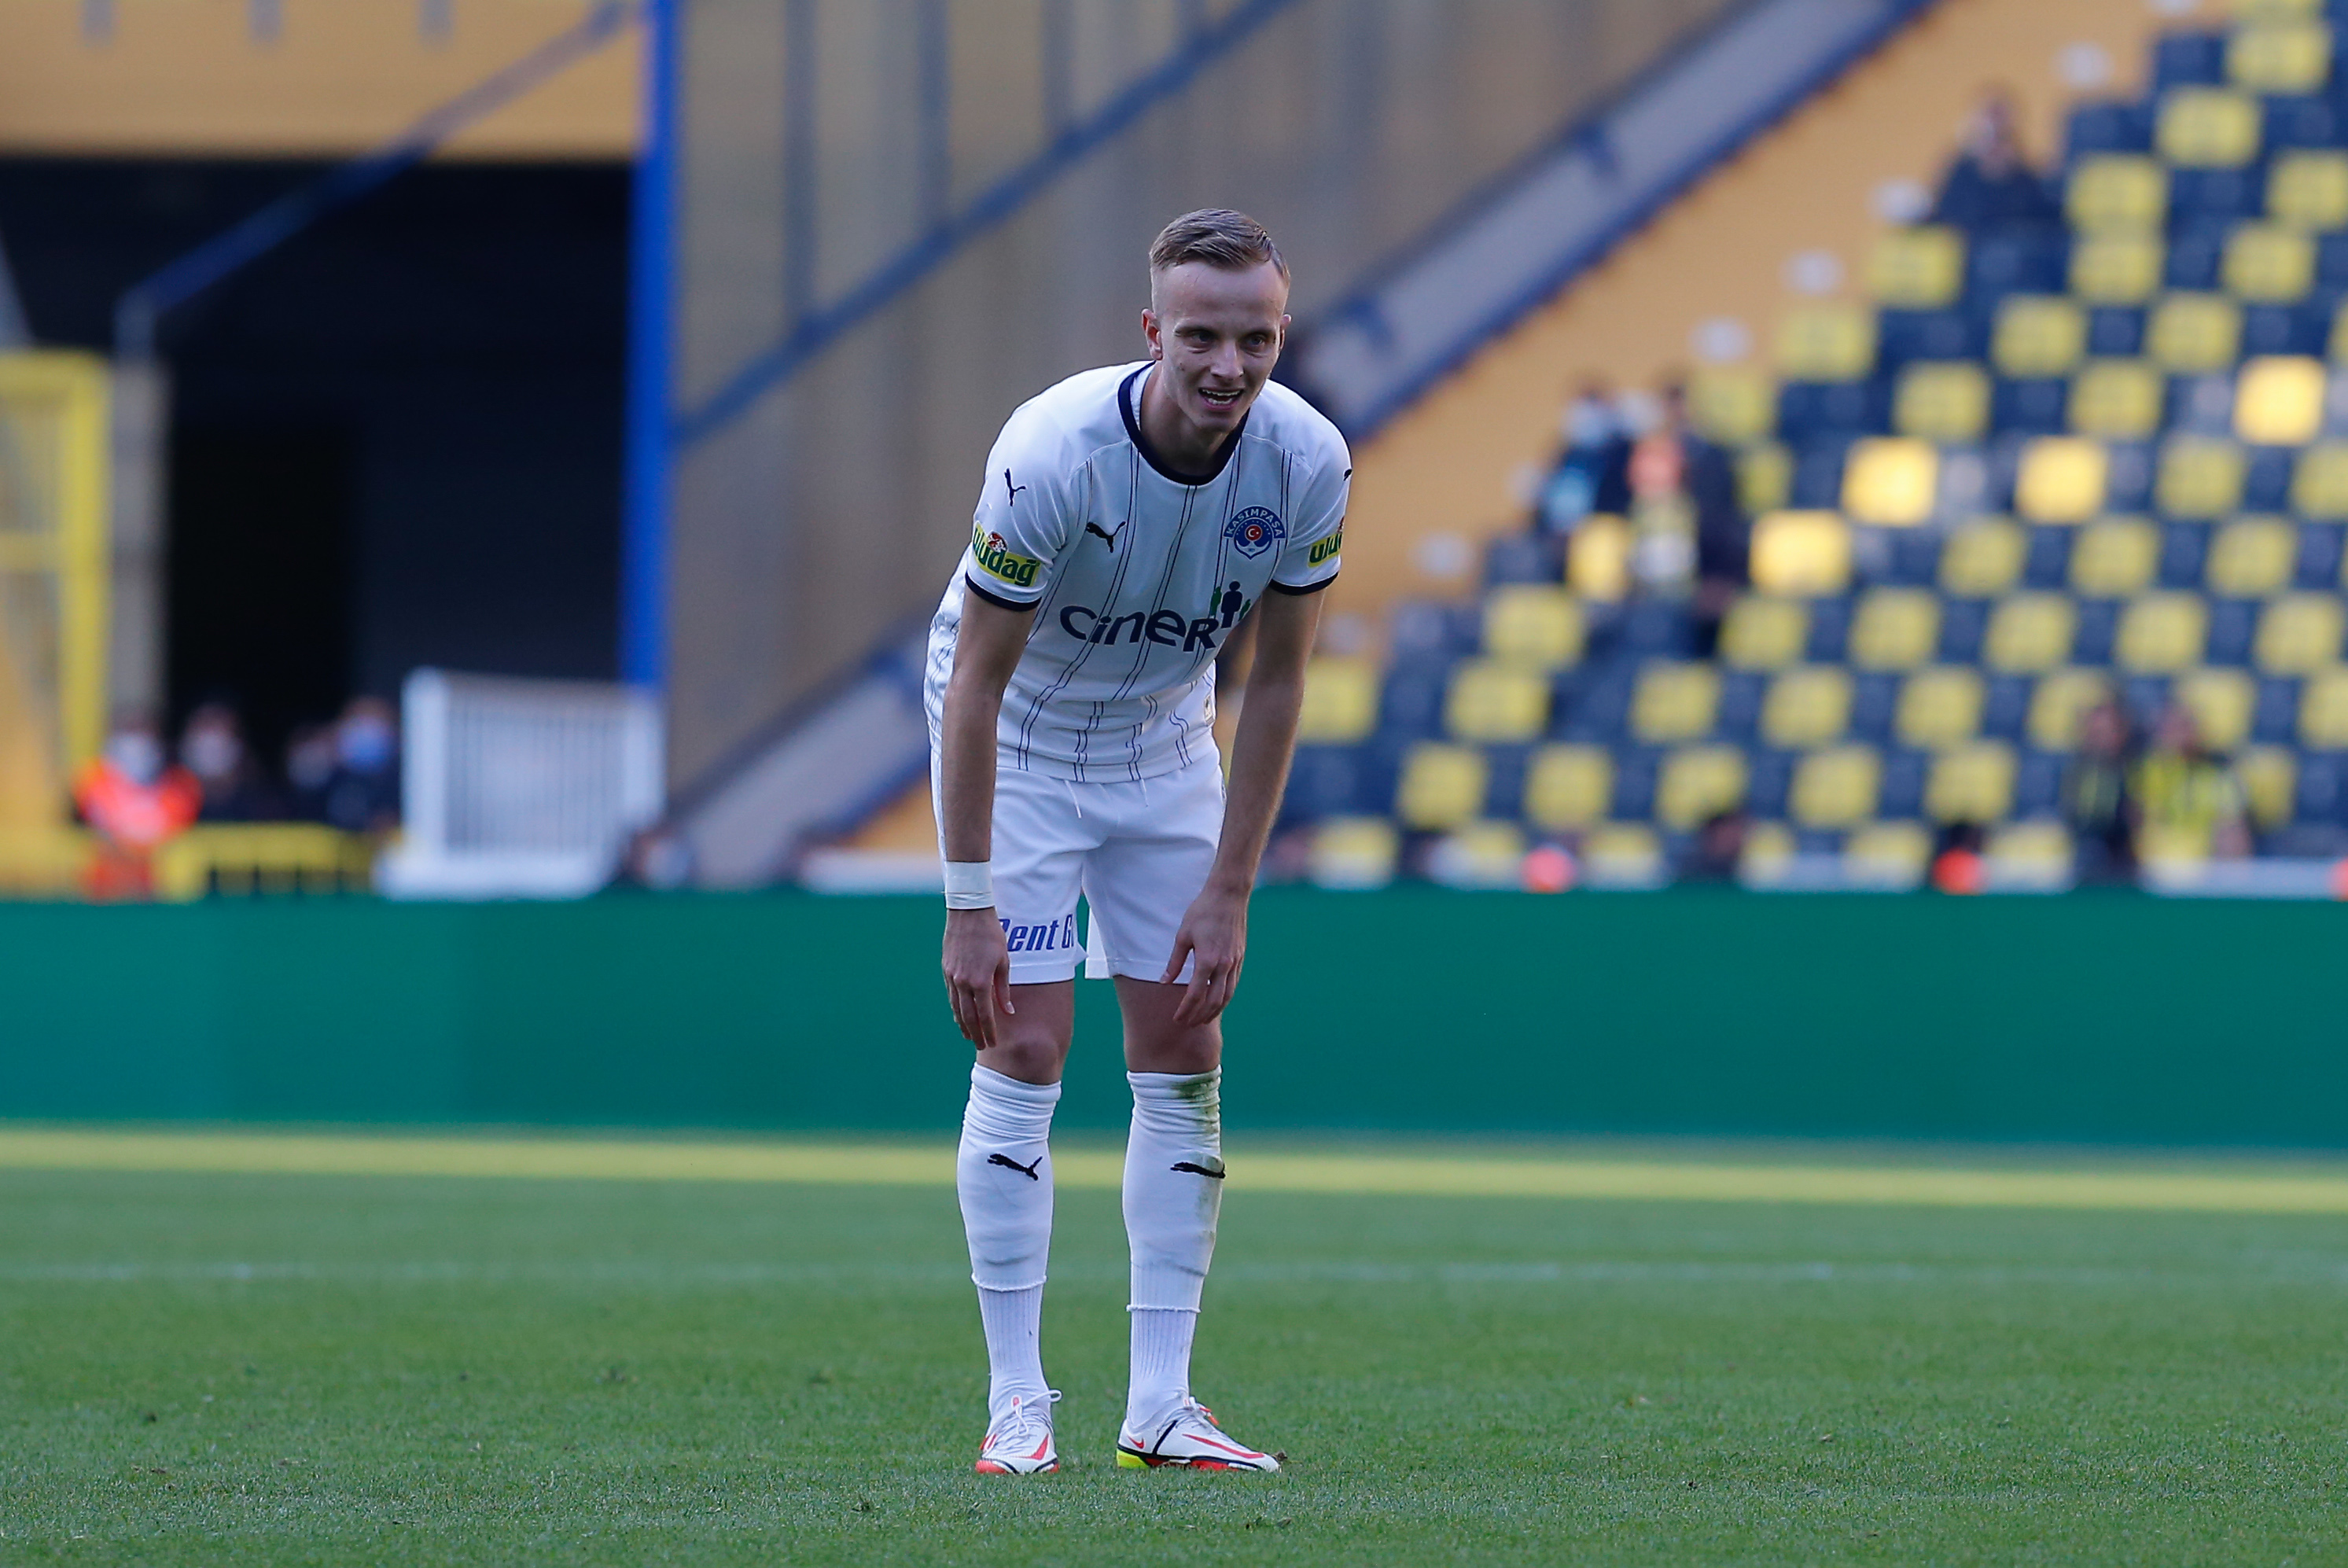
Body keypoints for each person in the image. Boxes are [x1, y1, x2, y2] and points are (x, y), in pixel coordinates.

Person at [928, 209, 1344, 1477]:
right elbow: (974, 684)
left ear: (1281, 335)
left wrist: (1232, 888)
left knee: (1185, 1048)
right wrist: (966, 900)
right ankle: (1016, 1401)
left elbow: (1277, 682)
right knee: (1026, 1043)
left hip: (1164, 744)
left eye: (1255, 339)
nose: (1229, 365)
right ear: (1153, 331)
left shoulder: (1307, 460)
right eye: (1202, 336)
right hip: (1024, 738)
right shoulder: (1052, 451)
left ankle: (1160, 1404)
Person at [73, 713, 201, 898]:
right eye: (129, 731)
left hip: (158, 893)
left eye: (143, 733)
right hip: (103, 892)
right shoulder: (91, 783)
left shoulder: (181, 787)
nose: (136, 742)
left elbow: (171, 833)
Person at [2132, 702, 2250, 863]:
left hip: (2205, 866)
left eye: (2184, 728)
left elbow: (2233, 827)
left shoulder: (2218, 774)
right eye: (2171, 729)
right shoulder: (2144, 772)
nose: (2179, 736)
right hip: (2150, 866)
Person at [1930, 86, 2058, 233]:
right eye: (1990, 114)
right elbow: (1948, 214)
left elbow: (2042, 213)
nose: (1995, 124)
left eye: (1999, 114)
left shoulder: (2028, 172)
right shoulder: (1961, 168)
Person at [2062, 698, 2135, 882]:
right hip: (2082, 856)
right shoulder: (2073, 770)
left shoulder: (2134, 771)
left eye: (2106, 732)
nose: (2100, 739)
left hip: (2121, 861)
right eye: (2095, 732)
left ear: (2121, 733)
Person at [179, 703, 274, 822]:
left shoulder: (264, 808)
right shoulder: (167, 805)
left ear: (238, 744)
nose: (210, 746)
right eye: (203, 728)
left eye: (219, 729)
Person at [321, 698, 401, 834]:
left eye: (373, 724)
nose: (365, 732)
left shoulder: (405, 784)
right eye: (358, 723)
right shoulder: (326, 779)